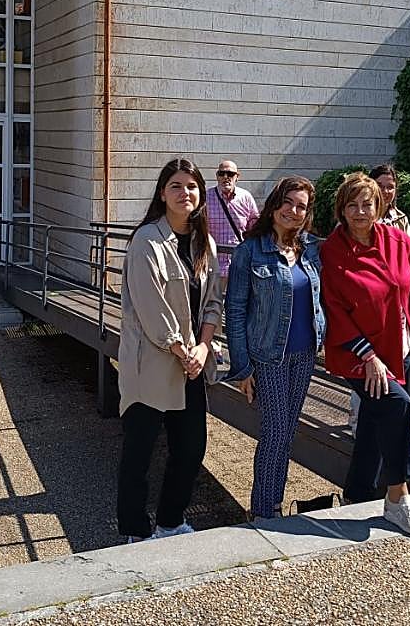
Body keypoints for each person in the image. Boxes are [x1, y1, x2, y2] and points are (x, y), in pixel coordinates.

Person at [322, 173, 410, 537]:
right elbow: (334, 309)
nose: (360, 212)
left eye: (367, 204)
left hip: (398, 346)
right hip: (358, 355)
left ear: (380, 207)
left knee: (374, 424)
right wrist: (369, 356)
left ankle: (358, 493)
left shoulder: (395, 239)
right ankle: (399, 496)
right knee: (396, 405)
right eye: (352, 205)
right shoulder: (333, 250)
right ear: (341, 209)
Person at [116, 158, 223, 542]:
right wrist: (184, 350)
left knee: (191, 449)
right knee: (139, 453)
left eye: (192, 186)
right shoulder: (146, 240)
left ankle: (170, 520)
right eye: (176, 186)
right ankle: (133, 529)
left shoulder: (203, 243)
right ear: (162, 193)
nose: (185, 193)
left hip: (192, 363)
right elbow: (151, 309)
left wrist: (204, 347)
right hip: (153, 364)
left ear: (201, 194)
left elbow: (213, 302)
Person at [225, 176, 325, 520]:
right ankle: (264, 510)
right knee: (275, 431)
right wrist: (242, 367)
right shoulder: (249, 251)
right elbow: (235, 311)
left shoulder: (309, 248)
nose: (294, 211)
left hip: (304, 354)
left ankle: (274, 503)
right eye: (289, 202)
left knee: (288, 432)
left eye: (302, 206)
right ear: (274, 204)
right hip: (268, 357)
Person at [347, 162, 410, 431]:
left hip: (396, 306)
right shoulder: (358, 219)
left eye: (391, 187)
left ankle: (385, 432)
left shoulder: (400, 220)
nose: (387, 192)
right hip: (367, 308)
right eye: (381, 186)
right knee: (366, 368)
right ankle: (359, 421)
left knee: (395, 373)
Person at [206, 159, 260, 288]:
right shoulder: (205, 197)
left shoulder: (245, 197)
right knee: (212, 306)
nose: (226, 177)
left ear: (237, 177)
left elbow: (254, 225)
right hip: (212, 265)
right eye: (222, 173)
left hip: (239, 264)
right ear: (217, 176)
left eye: (230, 174)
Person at [371, 162, 410, 237]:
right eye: (379, 186)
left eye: (390, 187)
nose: (385, 191)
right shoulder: (361, 217)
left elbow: (408, 247)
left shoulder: (401, 219)